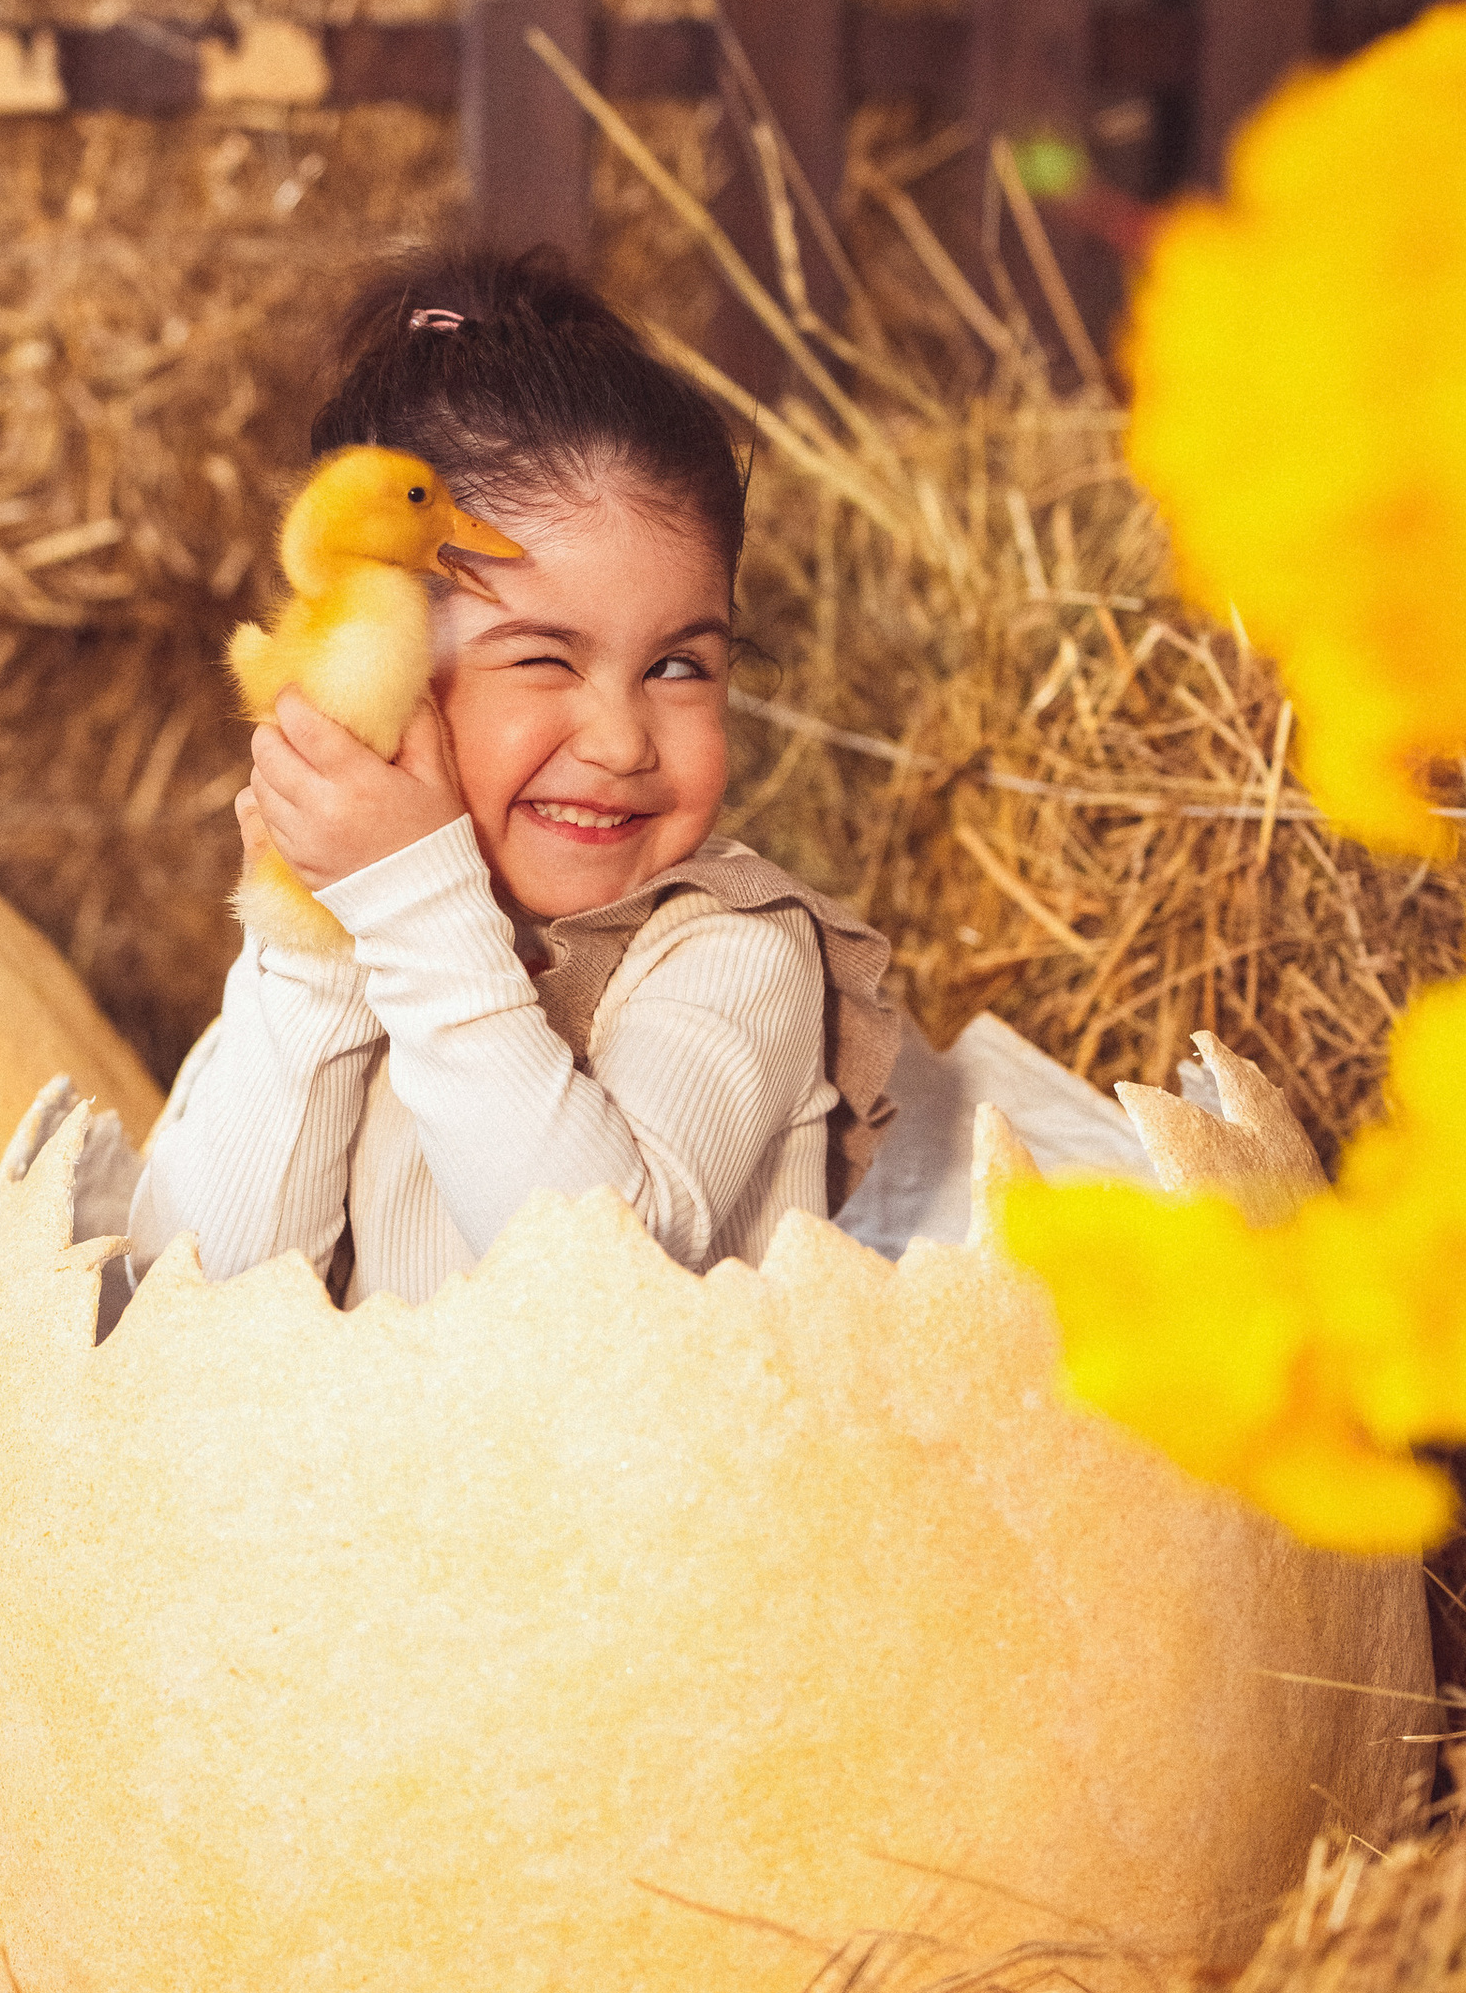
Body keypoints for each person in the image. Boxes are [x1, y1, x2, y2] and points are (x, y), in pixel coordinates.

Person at [125, 247, 900, 1307]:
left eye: (679, 665)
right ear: (386, 678)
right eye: (542, 656)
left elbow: (595, 1283)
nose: (624, 740)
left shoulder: (730, 952)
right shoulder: (347, 940)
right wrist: (314, 945)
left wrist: (414, 903)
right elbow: (196, 1303)